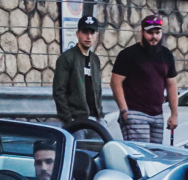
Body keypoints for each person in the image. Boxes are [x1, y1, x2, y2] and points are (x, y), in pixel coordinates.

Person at [110, 14, 178, 144]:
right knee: (141, 156)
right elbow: (115, 82)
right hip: (135, 113)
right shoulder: (128, 55)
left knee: (155, 156)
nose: (154, 37)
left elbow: (172, 84)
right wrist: (124, 110)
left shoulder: (166, 55)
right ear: (142, 32)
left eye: (157, 32)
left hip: (157, 114)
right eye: (150, 33)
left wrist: (174, 114)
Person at [53, 14, 104, 126]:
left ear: (96, 35)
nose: (89, 36)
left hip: (96, 119)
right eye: (85, 32)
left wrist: (100, 114)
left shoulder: (95, 60)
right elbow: (59, 91)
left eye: (92, 33)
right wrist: (68, 118)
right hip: (76, 119)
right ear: (77, 34)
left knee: (102, 143)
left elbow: (98, 90)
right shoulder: (67, 58)